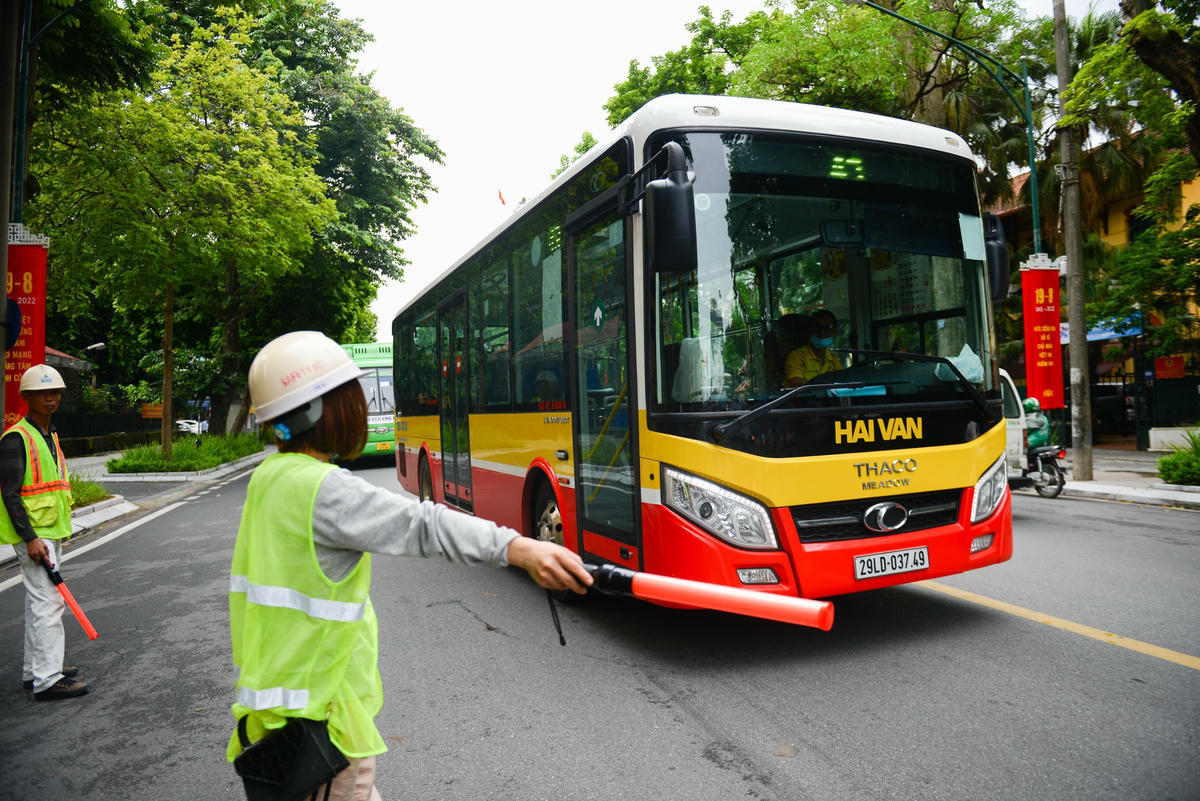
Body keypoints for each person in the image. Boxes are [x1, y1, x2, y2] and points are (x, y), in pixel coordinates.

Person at [228, 331, 592, 801]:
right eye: (350, 397)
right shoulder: (323, 490)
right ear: (319, 410)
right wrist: (519, 549)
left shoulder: (268, 481)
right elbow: (422, 524)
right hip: (321, 732)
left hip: (275, 723)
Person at [0, 364, 88, 700]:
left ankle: (33, 670)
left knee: (39, 603)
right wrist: (30, 538)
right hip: (36, 536)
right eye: (42, 393)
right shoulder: (15, 439)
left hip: (51, 531)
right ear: (26, 397)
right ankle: (48, 679)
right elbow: (9, 494)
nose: (50, 398)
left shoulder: (49, 434)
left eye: (55, 393)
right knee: (49, 604)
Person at [784, 309, 843, 387]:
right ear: (810, 330)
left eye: (828, 328)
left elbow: (842, 384)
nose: (822, 332)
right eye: (817, 327)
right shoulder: (797, 356)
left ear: (835, 333)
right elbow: (797, 389)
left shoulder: (833, 359)